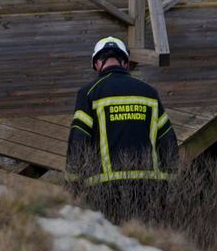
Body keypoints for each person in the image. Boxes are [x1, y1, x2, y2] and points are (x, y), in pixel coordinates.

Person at [66, 37, 179, 223]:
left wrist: (72, 185)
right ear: (125, 63)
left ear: (96, 64)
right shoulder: (149, 93)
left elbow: (78, 141)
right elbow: (168, 141)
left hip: (104, 189)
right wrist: (170, 184)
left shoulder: (89, 93)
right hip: (149, 188)